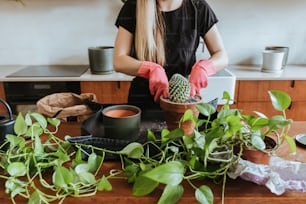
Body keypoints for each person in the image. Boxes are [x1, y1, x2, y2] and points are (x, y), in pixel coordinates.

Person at [113, 0, 228, 114]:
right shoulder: (133, 6)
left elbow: (221, 55)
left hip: (183, 100)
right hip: (143, 102)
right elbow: (119, 60)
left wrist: (204, 68)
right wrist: (150, 69)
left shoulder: (198, 7)